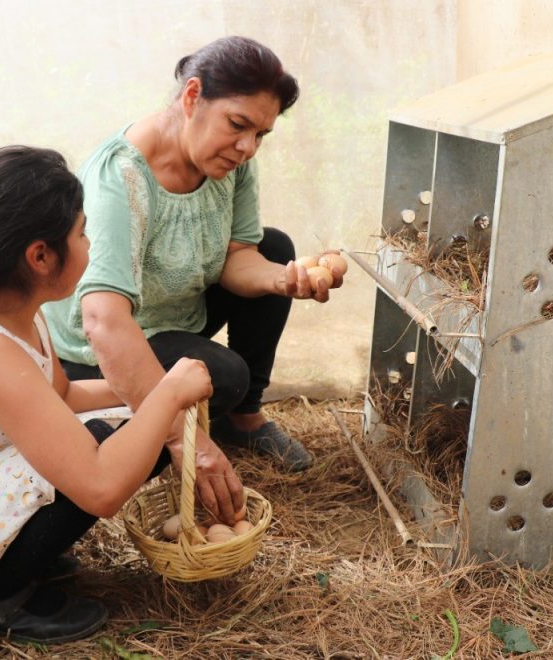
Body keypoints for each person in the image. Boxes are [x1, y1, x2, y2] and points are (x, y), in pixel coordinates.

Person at [0, 146, 212, 645]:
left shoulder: (14, 308)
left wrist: (146, 389)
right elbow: (101, 489)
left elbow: (61, 395)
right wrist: (168, 395)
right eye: (82, 233)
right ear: (41, 256)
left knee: (131, 425)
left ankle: (18, 556)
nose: (89, 244)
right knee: (127, 439)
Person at [44, 36, 345, 524]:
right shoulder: (121, 177)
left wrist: (283, 280)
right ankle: (176, 417)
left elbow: (238, 258)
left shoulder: (230, 162)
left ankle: (242, 421)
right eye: (238, 125)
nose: (247, 147)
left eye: (261, 134)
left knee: (274, 248)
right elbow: (103, 320)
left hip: (175, 311)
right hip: (101, 346)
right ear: (192, 97)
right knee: (223, 375)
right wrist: (186, 441)